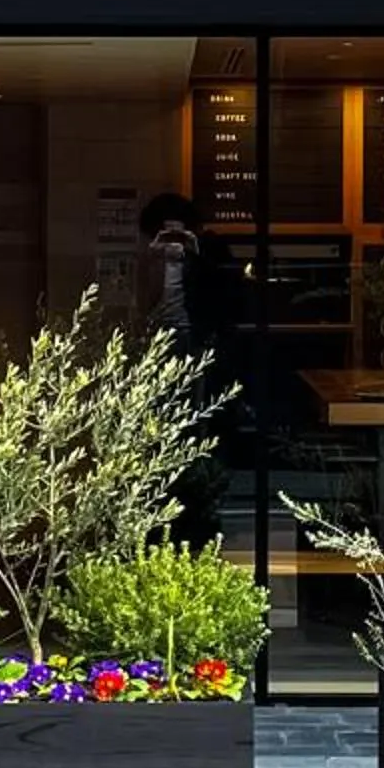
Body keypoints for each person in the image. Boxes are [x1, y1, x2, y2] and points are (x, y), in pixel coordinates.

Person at [136, 192, 241, 550]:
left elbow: (224, 292)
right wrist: (153, 260)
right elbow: (144, 302)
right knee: (161, 412)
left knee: (197, 411)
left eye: (179, 233)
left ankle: (197, 489)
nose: (173, 241)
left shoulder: (206, 254)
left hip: (194, 337)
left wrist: (195, 255)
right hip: (160, 337)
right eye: (166, 234)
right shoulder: (149, 259)